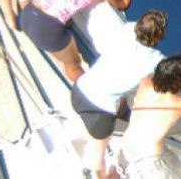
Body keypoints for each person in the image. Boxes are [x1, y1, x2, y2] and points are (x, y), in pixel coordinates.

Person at [71, 10, 167, 179]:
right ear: (159, 37)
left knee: (118, 103)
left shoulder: (127, 30)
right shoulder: (156, 60)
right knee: (97, 151)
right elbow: (168, 79)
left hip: (79, 89)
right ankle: (99, 175)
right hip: (99, 111)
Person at [123, 53, 181, 179]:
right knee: (178, 174)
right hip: (151, 161)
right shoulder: (179, 104)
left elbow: (169, 82)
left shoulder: (146, 81)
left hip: (129, 143)